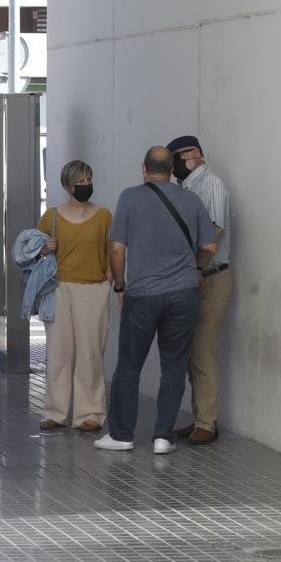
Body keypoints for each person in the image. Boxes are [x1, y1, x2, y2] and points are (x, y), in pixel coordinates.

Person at [95, 147, 217, 455]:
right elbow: (211, 245)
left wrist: (120, 287)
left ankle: (122, 435)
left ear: (143, 168)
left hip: (143, 295)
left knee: (129, 366)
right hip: (185, 293)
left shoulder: (130, 198)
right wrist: (196, 268)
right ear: (172, 169)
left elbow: (117, 250)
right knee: (174, 367)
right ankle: (163, 437)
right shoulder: (190, 199)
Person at [36, 160, 112, 433]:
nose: (85, 186)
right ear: (67, 185)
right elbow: (32, 251)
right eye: (79, 181)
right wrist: (45, 248)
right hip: (58, 288)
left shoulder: (104, 215)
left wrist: (116, 283)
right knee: (58, 352)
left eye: (89, 180)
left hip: (95, 287)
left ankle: (90, 413)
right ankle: (56, 412)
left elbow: (112, 250)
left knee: (91, 351)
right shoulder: (51, 217)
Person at [166, 135, 233, 446]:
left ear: (194, 155)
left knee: (203, 351)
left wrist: (195, 266)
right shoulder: (185, 188)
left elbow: (214, 232)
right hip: (193, 278)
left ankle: (207, 422)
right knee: (193, 352)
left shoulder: (211, 185)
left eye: (177, 158)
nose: (173, 165)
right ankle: (198, 419)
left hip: (210, 276)